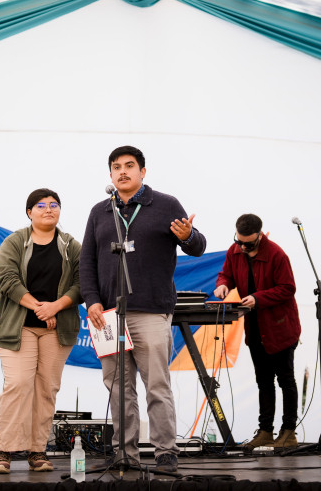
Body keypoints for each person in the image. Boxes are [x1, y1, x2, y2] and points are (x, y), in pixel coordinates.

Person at [80, 145, 206, 473]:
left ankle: (166, 452)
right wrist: (92, 300)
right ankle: (125, 454)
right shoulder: (99, 211)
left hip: (150, 310)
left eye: (130, 166)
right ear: (110, 174)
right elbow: (86, 262)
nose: (123, 171)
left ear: (143, 172)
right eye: (116, 167)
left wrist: (189, 235)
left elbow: (197, 247)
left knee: (156, 386)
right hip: (107, 315)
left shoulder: (165, 205)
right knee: (119, 390)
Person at [0, 188, 82, 474]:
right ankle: (3, 451)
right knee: (18, 384)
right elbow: (5, 278)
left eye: (54, 205)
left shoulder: (71, 245)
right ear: (29, 212)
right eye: (41, 205)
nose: (48, 209)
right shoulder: (14, 241)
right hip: (19, 327)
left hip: (57, 328)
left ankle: (37, 451)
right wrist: (39, 307)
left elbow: (82, 284)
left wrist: (54, 308)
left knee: (46, 389)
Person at [214, 213, 301, 452]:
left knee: (286, 380)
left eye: (248, 244)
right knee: (263, 381)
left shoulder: (277, 255)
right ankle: (265, 432)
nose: (242, 247)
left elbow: (287, 288)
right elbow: (227, 274)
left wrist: (257, 298)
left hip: (280, 327)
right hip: (255, 328)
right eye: (239, 241)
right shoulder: (235, 251)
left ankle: (289, 432)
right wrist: (223, 283)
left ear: (260, 236)